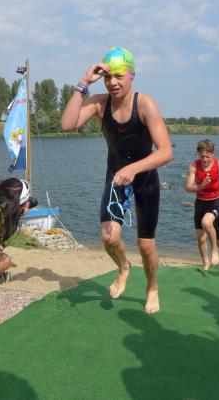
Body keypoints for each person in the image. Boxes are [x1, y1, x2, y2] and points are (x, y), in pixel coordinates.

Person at [61, 47, 173, 314]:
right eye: (107, 77)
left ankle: (152, 287)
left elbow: (166, 152)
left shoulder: (145, 104)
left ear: (131, 76)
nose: (112, 82)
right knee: (109, 238)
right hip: (116, 178)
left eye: (119, 76)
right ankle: (123, 267)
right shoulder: (99, 103)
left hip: (144, 178)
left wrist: (134, 168)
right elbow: (67, 124)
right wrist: (84, 83)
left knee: (146, 245)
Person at [186, 139, 219, 271]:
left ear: (213, 154)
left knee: (206, 223)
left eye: (208, 156)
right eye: (202, 156)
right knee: (201, 238)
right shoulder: (194, 166)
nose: (205, 159)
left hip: (216, 201)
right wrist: (201, 186)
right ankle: (206, 263)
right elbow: (188, 187)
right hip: (200, 202)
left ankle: (214, 250)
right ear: (198, 154)